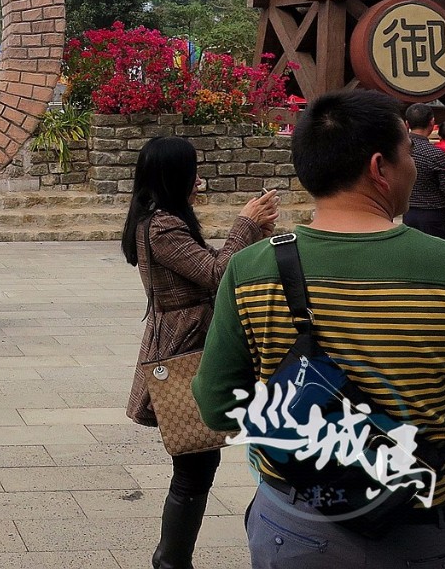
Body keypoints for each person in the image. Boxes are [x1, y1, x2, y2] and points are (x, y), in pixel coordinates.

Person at [195, 90, 445, 565]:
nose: (414, 167)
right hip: (423, 529)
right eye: (408, 155)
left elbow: (216, 405)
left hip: (295, 526)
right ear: (380, 167)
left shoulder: (252, 268)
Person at [121, 135, 278, 569]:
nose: (199, 181)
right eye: (192, 172)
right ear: (174, 176)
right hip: (183, 350)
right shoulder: (161, 225)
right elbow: (216, 272)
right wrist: (244, 224)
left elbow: (211, 266)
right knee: (193, 466)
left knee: (198, 465)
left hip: (192, 340)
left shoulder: (162, 219)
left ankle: (173, 559)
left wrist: (256, 232)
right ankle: (171, 561)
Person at [402, 103, 445, 240]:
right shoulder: (435, 154)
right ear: (432, 122)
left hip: (408, 213)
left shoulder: (398, 151)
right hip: (435, 215)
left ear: (407, 124)